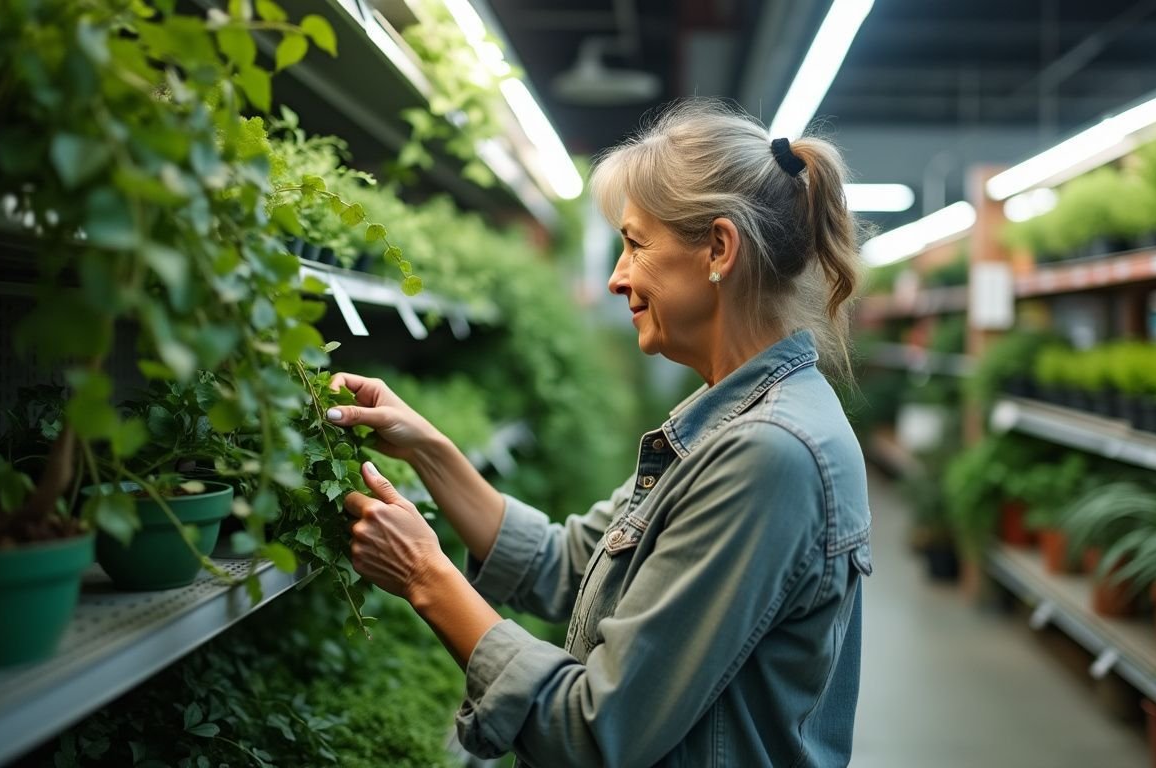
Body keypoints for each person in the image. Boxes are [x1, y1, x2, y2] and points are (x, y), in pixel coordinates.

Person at [331, 99, 873, 767]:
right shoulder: (729, 420)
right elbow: (568, 565)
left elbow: (597, 730)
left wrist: (426, 576)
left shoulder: (769, 455)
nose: (617, 277)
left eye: (635, 244)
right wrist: (429, 448)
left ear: (720, 250)